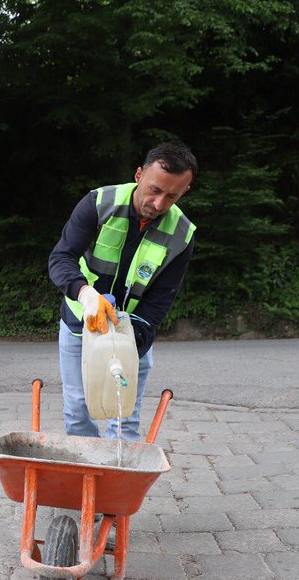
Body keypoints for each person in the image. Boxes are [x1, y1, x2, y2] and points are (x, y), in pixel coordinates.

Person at [48, 142, 197, 441]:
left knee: (124, 416)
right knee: (78, 409)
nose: (158, 204)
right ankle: (86, 481)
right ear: (139, 174)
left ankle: (117, 483)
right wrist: (86, 295)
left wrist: (131, 342)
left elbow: (160, 301)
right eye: (154, 190)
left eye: (172, 196)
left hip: (132, 329)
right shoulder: (98, 203)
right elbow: (61, 258)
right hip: (80, 323)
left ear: (185, 192)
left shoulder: (182, 233)